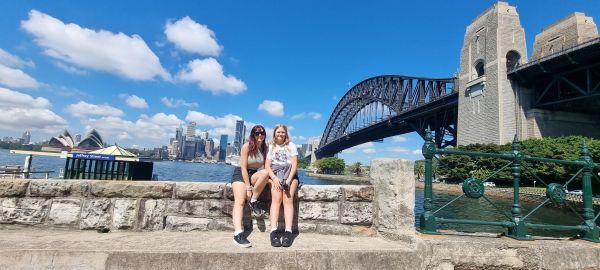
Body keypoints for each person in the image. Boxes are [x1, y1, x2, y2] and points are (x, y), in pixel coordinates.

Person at [230, 125, 270, 248]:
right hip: (241, 173)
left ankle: (253, 201)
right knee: (240, 201)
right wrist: (248, 187)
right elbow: (243, 167)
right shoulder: (247, 146)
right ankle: (238, 234)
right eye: (257, 133)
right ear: (252, 134)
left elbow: (267, 167)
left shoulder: (265, 148)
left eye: (262, 133)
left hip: (254, 174)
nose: (260, 135)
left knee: (265, 173)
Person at [266, 124, 299, 247]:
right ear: (274, 133)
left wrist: (289, 179)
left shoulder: (291, 146)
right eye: (278, 132)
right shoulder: (271, 146)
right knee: (276, 199)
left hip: (290, 175)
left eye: (283, 132)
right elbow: (267, 166)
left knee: (288, 199)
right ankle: (273, 231)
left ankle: (288, 232)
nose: (280, 134)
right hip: (275, 175)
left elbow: (294, 165)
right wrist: (274, 178)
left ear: (286, 134)